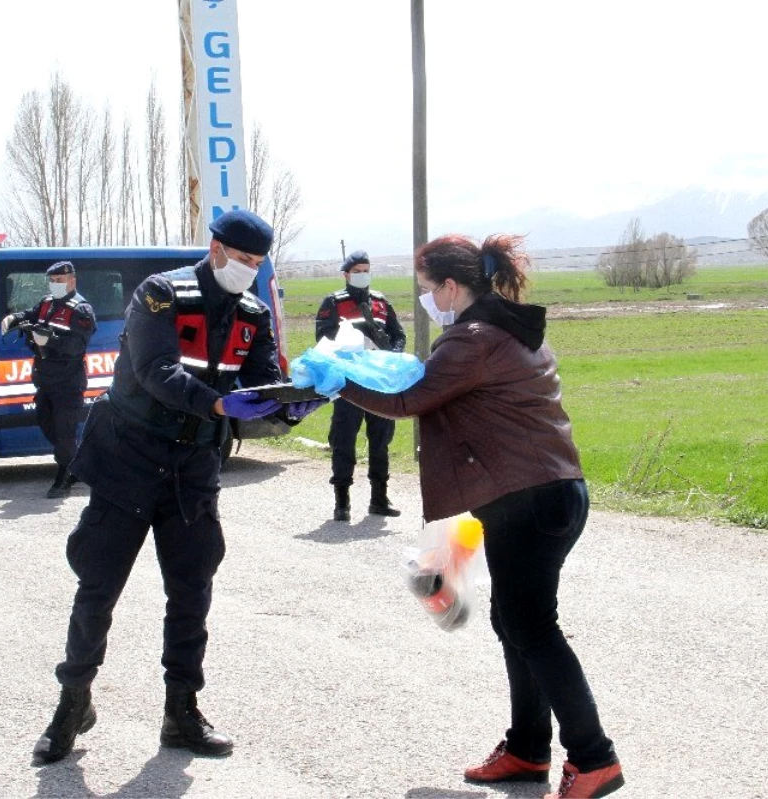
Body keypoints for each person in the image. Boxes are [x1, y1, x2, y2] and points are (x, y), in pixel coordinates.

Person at [32, 210, 325, 765]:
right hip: (130, 457)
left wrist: (291, 405)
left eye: (258, 263)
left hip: (194, 466)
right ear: (216, 249)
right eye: (243, 259)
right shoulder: (162, 294)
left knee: (191, 591)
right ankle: (71, 703)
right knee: (98, 587)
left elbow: (261, 379)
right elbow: (153, 371)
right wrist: (217, 402)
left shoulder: (252, 313)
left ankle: (181, 711)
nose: (250, 270)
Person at [337, 235, 624, 799]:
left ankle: (595, 758)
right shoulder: (504, 330)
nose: (425, 299)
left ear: (450, 286)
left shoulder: (473, 339)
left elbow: (406, 402)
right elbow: (428, 382)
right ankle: (526, 748)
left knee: (531, 627)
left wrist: (339, 382)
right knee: (514, 621)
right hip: (544, 494)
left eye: (425, 289)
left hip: (530, 499)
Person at [314, 250, 407, 522]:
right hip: (349, 382)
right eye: (357, 271)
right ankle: (341, 502)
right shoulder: (333, 302)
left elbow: (398, 334)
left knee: (381, 441)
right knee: (344, 440)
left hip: (378, 382)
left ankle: (379, 499)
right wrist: (352, 345)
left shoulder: (380, 302)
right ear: (346, 274)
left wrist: (391, 352)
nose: (362, 274)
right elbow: (323, 338)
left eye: (366, 269)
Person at [0, 261, 97, 499]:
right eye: (52, 281)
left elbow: (77, 345)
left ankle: (63, 478)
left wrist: (50, 342)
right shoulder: (46, 303)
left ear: (72, 280)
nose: (55, 285)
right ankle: (75, 462)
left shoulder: (81, 309)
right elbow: (30, 315)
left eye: (59, 281)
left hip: (68, 380)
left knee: (65, 432)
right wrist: (14, 317)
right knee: (45, 421)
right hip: (46, 379)